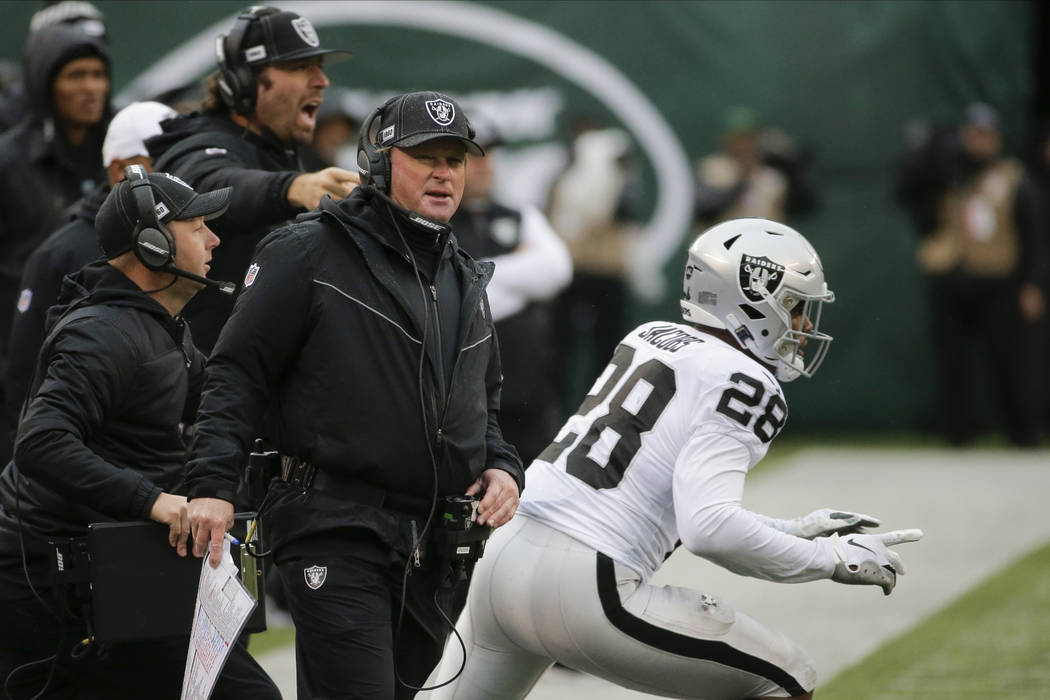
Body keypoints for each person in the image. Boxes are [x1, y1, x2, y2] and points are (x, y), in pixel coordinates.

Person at [431, 218, 923, 700]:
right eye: (794, 306)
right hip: (587, 584)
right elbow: (708, 527)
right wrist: (833, 560)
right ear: (753, 300)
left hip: (502, 560)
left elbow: (650, 489)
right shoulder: (747, 382)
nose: (803, 324)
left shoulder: (650, 336)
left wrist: (789, 530)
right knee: (787, 678)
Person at [184, 91, 525, 700]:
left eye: (455, 158)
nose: (444, 172)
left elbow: (485, 402)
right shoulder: (306, 249)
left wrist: (501, 464)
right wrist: (212, 487)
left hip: (433, 546)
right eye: (424, 156)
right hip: (335, 528)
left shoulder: (464, 274)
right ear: (377, 161)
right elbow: (236, 372)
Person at [0, 166, 279, 699]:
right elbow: (39, 443)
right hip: (47, 589)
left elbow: (223, 405)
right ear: (151, 245)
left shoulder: (158, 328)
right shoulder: (103, 333)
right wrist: (155, 501)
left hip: (102, 577)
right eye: (198, 226)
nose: (215, 239)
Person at [147, 5, 357, 354]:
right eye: (300, 67)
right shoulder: (200, 144)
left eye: (318, 67)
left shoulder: (282, 154)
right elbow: (202, 184)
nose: (321, 81)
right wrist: (292, 188)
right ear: (245, 82)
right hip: (204, 392)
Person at [3, 100, 177, 458]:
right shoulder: (60, 253)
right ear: (119, 170)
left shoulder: (194, 242)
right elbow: (26, 378)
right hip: (81, 469)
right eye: (162, 165)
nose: (178, 177)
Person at [0, 22, 112, 464]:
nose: (91, 88)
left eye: (98, 74)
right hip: (19, 361)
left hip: (101, 363)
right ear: (47, 84)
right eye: (75, 76)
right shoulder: (9, 162)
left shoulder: (118, 155)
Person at [912, 102, 1046, 446]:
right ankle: (957, 432)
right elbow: (916, 203)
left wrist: (1032, 282)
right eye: (973, 135)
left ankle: (1020, 432)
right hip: (952, 276)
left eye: (986, 135)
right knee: (952, 359)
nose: (979, 142)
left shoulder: (1013, 177)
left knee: (1006, 358)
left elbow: (1032, 233)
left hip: (998, 280)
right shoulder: (948, 174)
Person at [450, 124, 572, 464]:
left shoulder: (519, 215)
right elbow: (452, 295)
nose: (484, 164)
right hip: (465, 400)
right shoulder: (435, 220)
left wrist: (481, 274)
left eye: (490, 154)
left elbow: (556, 269)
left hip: (531, 395)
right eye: (472, 156)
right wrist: (521, 276)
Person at [694, 106, 817, 227]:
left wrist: (791, 165)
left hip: (765, 244)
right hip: (720, 244)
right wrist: (743, 180)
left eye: (749, 138)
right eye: (738, 138)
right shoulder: (712, 168)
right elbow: (705, 211)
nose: (743, 144)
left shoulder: (772, 176)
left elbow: (804, 207)